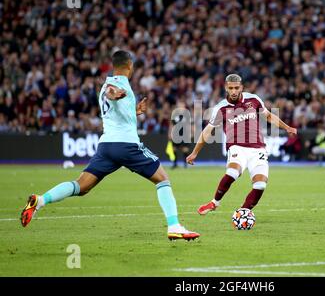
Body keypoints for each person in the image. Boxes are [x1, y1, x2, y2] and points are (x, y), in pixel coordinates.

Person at [20, 50, 200, 241]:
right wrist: (115, 94)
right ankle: (174, 226)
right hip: (126, 145)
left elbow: (114, 108)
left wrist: (134, 111)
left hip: (106, 146)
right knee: (163, 179)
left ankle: (40, 200)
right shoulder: (116, 84)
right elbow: (111, 93)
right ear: (129, 65)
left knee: (81, 186)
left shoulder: (110, 84)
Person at [186, 74, 297, 214]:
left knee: (260, 185)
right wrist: (195, 152)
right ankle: (214, 203)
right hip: (237, 147)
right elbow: (207, 131)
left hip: (258, 149)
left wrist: (287, 128)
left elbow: (268, 116)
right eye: (230, 88)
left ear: (241, 88)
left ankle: (242, 212)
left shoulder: (253, 99)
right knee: (232, 172)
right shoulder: (221, 108)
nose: (233, 91)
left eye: (236, 88)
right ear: (226, 88)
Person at [168, 101, 190, 169]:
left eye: (182, 106)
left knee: (185, 149)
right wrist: (169, 133)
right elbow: (171, 125)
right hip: (175, 134)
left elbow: (189, 125)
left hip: (184, 134)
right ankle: (175, 164)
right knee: (174, 149)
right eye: (179, 106)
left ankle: (185, 164)